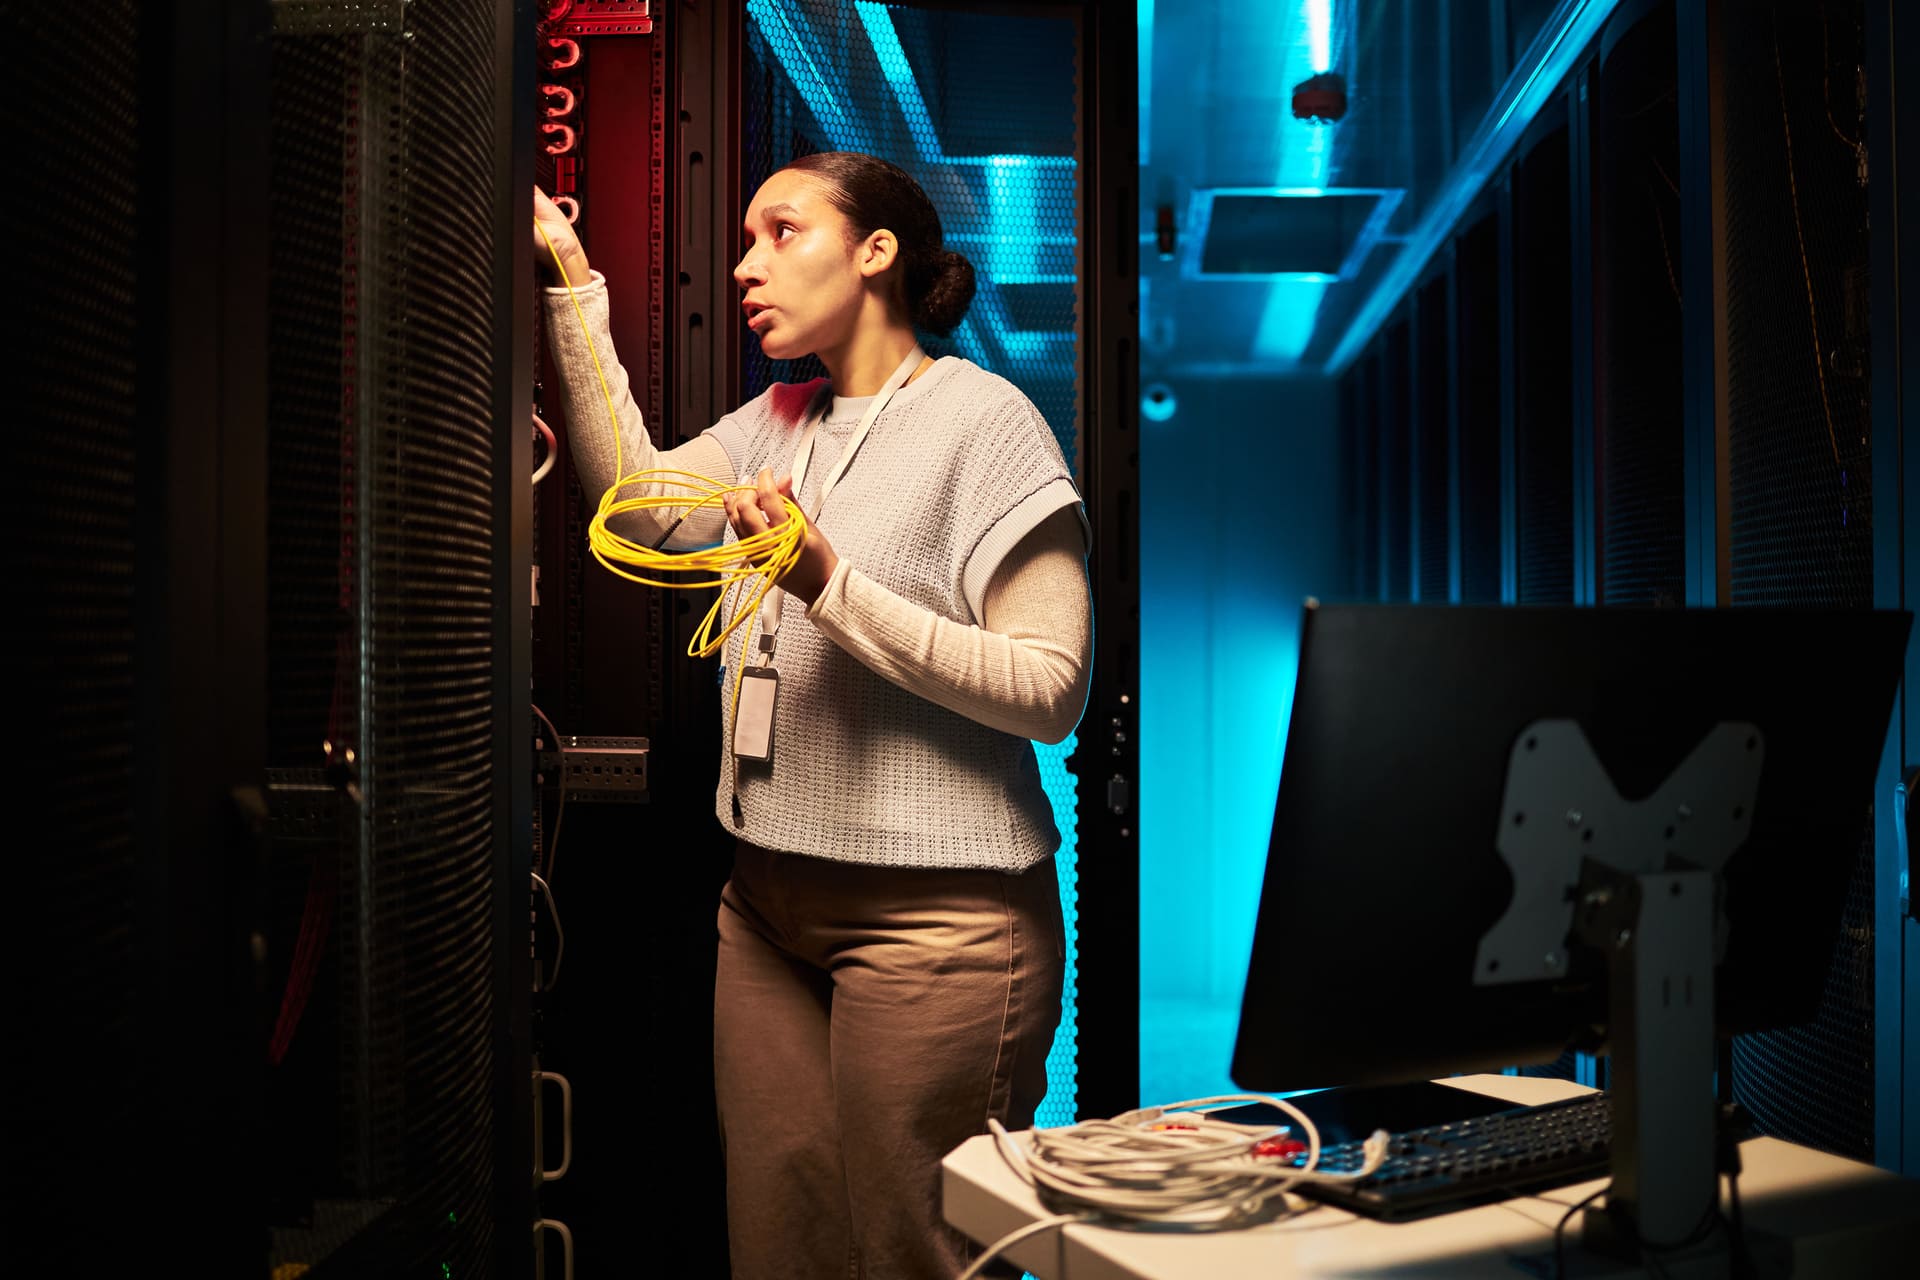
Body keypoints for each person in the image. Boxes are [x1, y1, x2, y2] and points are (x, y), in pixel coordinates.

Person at [534, 150, 1094, 1278]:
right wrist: (570, 274)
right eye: (746, 241)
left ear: (876, 252)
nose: (748, 266)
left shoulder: (987, 422)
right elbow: (637, 508)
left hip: (940, 924)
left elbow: (1051, 690)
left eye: (781, 233)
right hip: (765, 908)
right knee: (778, 1246)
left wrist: (829, 586)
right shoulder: (780, 417)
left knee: (914, 1252)